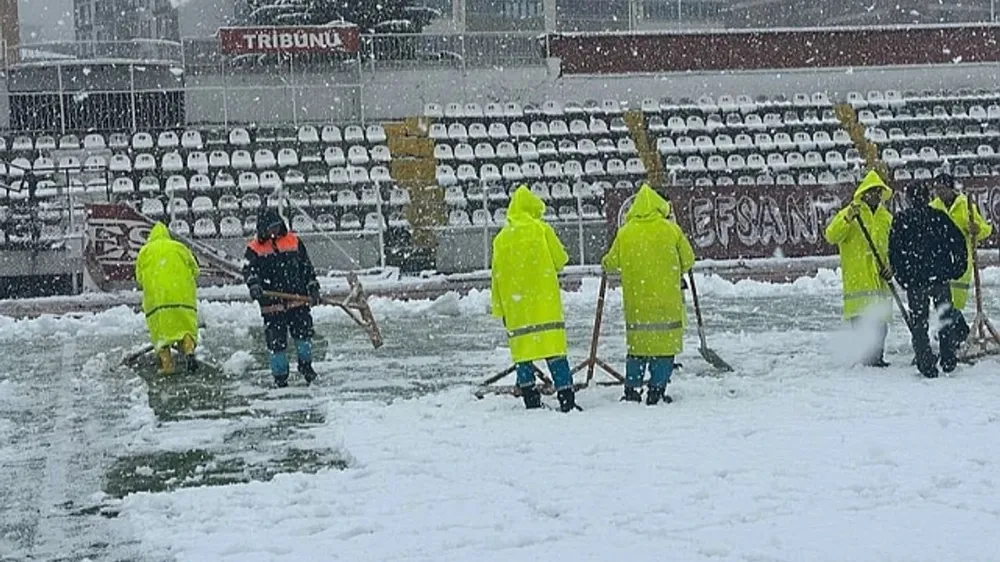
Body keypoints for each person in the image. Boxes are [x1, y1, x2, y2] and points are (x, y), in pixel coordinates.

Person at [602, 185, 695, 405]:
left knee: (638, 350)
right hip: (666, 304)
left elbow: (611, 264)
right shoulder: (670, 230)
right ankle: (656, 390)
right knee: (664, 350)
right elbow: (688, 260)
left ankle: (632, 390)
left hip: (637, 305)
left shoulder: (626, 233)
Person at [491, 185, 577, 412]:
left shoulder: (501, 239)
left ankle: (530, 398)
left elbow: (496, 277)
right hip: (545, 305)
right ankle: (566, 397)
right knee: (555, 352)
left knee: (523, 355)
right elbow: (560, 260)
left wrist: (500, 308)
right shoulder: (541, 230)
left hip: (518, 309)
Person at [889, 181, 969, 377]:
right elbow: (958, 243)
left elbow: (894, 253)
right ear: (927, 197)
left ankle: (925, 364)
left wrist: (903, 278)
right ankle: (948, 359)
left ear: (907, 199)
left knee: (919, 324)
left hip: (916, 281)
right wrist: (956, 269)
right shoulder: (939, 217)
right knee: (945, 319)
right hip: (939, 279)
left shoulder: (901, 220)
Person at [823, 170, 895, 367]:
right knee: (861, 323)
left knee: (880, 325)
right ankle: (865, 358)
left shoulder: (886, 218)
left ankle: (877, 358)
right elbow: (831, 236)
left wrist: (891, 267)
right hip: (858, 280)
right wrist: (847, 219)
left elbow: (893, 248)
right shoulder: (850, 213)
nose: (875, 195)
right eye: (872, 191)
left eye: (878, 192)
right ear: (864, 193)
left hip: (879, 281)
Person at [244, 209, 321, 388]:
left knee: (304, 337)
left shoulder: (293, 241)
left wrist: (313, 287)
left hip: (298, 301)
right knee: (277, 344)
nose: (274, 231)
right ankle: (280, 376)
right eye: (271, 228)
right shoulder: (254, 248)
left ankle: (306, 366)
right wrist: (254, 284)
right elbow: (248, 271)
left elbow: (306, 267)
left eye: (277, 227)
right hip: (272, 307)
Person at [134, 222, 200, 375]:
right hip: (183, 297)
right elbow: (196, 270)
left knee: (161, 334)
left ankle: (167, 365)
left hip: (158, 300)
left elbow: (139, 279)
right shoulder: (179, 247)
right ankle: (189, 350)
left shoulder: (145, 251)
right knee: (185, 328)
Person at [930, 174, 994, 311]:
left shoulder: (966, 205)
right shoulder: (933, 207)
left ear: (951, 189)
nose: (939, 193)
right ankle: (950, 331)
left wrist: (977, 231)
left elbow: (986, 229)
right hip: (939, 263)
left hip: (961, 262)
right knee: (942, 308)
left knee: (956, 307)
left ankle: (955, 330)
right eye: (937, 189)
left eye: (942, 189)